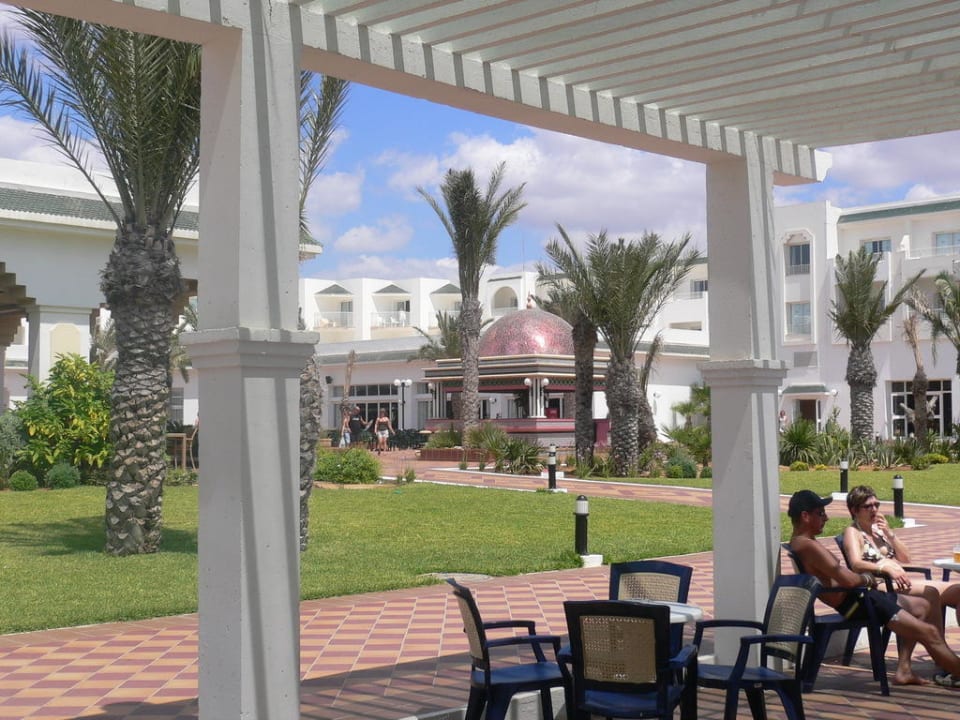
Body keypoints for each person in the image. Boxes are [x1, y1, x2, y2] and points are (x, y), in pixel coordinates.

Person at [788, 489, 960, 687]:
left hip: (860, 599)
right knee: (929, 633)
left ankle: (905, 670)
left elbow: (848, 575)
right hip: (858, 603)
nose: (826, 518)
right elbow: (848, 580)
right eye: (821, 513)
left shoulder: (802, 543)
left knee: (922, 608)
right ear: (805, 516)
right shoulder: (808, 546)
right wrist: (869, 579)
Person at [842, 485, 960, 628]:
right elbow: (856, 564)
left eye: (876, 505)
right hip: (879, 585)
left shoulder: (878, 531)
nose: (874, 509)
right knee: (931, 592)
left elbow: (906, 558)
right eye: (868, 506)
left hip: (899, 582)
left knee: (957, 590)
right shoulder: (853, 532)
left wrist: (889, 533)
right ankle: (937, 639)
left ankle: (936, 639)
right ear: (854, 510)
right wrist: (886, 569)